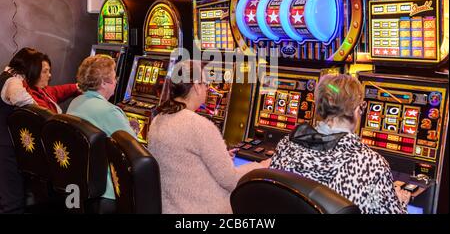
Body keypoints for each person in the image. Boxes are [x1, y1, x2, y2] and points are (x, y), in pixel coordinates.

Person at [269, 74, 411, 214]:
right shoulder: (372, 163)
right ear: (356, 110)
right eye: (362, 106)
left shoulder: (286, 145)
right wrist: (401, 202)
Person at [148, 60, 270, 214]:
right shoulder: (199, 126)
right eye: (206, 84)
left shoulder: (159, 118)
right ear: (197, 87)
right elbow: (232, 181)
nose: (208, 89)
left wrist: (221, 157)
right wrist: (262, 165)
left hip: (171, 207)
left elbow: (184, 163)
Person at [67, 55, 136, 210]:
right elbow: (133, 152)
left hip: (82, 182)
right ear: (104, 83)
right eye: (114, 77)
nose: (117, 81)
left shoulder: (75, 102)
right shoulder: (109, 111)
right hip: (109, 190)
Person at [0, 48, 37, 213]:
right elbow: (21, 99)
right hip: (5, 147)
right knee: (13, 202)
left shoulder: (4, 75)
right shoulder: (13, 81)